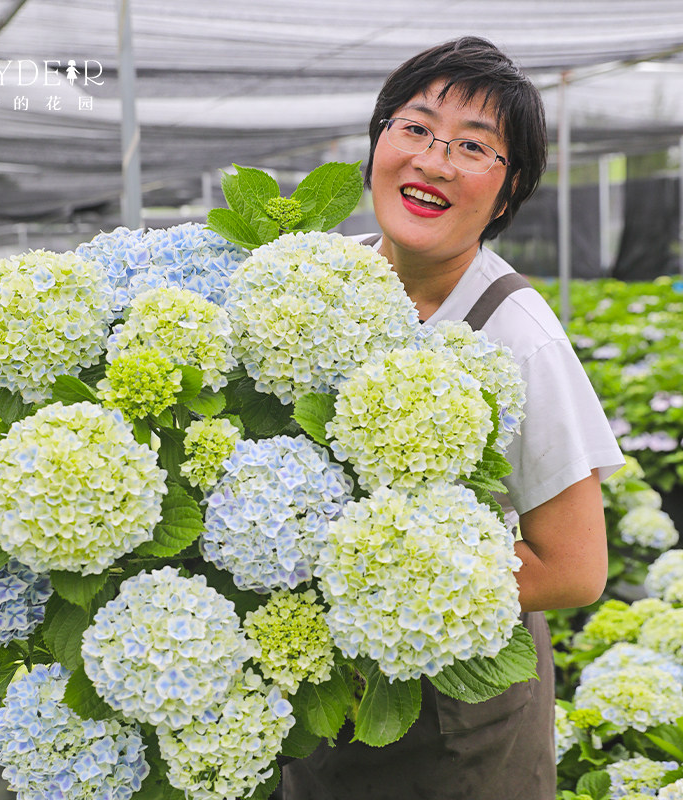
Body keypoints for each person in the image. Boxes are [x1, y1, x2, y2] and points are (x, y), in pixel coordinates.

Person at [280, 36, 624, 800]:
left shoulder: (519, 336)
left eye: (474, 147)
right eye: (415, 128)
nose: (434, 161)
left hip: (457, 727)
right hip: (325, 704)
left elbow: (576, 569)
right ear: (377, 143)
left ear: (508, 195)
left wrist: (390, 594)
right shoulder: (319, 288)